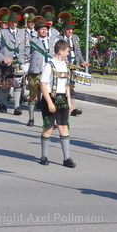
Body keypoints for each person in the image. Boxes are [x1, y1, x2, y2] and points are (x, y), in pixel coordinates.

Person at [38, 39, 75, 168]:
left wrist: (69, 101)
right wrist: (49, 103)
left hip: (62, 98)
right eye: (67, 51)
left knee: (64, 127)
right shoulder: (49, 65)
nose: (68, 54)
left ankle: (66, 158)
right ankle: (44, 155)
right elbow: (43, 85)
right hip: (50, 98)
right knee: (48, 127)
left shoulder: (65, 65)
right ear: (60, 51)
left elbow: (66, 85)